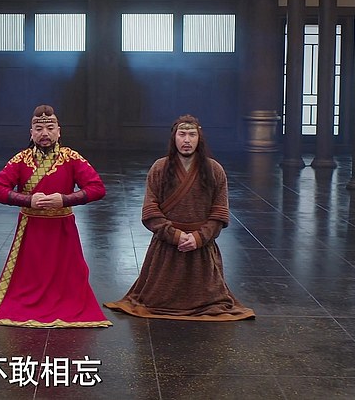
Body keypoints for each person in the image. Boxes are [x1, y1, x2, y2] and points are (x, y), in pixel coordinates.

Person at [0, 105, 111, 328]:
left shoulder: (71, 158)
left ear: (59, 132)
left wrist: (65, 199)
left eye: (50, 128)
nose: (45, 133)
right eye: (39, 129)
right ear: (31, 133)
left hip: (62, 228)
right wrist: (28, 200)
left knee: (68, 277)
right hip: (30, 228)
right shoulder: (21, 159)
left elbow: (97, 188)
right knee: (28, 277)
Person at [104, 114, 254, 321]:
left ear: (199, 138)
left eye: (192, 135)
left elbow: (219, 212)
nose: (187, 140)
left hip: (201, 247)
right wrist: (175, 236)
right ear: (174, 138)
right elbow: (150, 209)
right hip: (166, 248)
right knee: (155, 300)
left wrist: (198, 238)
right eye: (182, 134)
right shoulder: (159, 168)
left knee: (210, 300)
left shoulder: (214, 170)